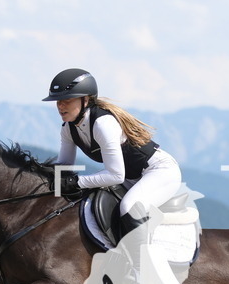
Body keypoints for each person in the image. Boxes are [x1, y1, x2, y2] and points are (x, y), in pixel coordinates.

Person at [42, 68, 182, 239]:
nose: (60, 106)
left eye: (67, 100)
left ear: (85, 100)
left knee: (129, 208)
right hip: (130, 179)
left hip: (159, 172)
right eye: (57, 101)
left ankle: (144, 262)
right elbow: (63, 168)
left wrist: (76, 181)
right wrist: (39, 175)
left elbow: (115, 175)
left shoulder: (103, 124)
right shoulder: (68, 129)